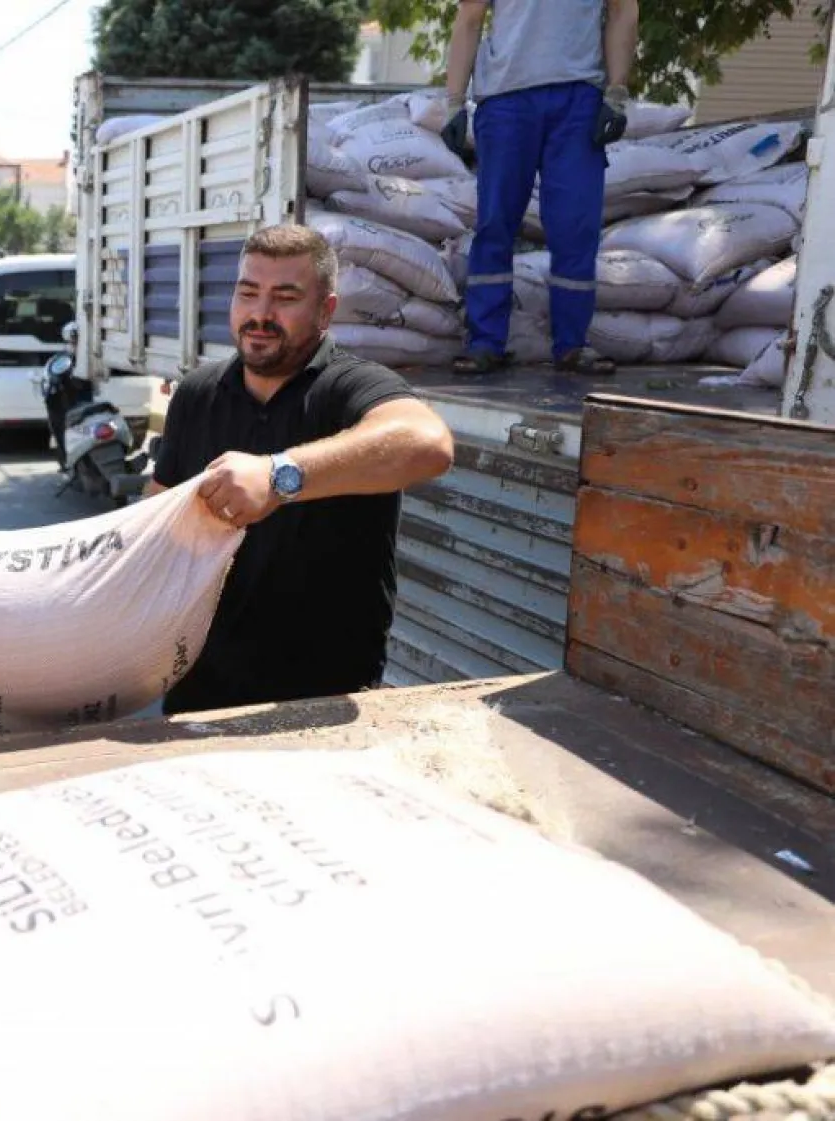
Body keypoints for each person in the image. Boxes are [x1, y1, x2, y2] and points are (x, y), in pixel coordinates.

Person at [148, 224, 455, 716]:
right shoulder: (197, 393)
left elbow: (429, 444)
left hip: (323, 702)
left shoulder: (350, 386)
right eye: (248, 293)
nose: (261, 314)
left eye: (285, 298)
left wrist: (278, 477)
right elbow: (156, 521)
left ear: (326, 311)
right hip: (196, 694)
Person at [440, 0, 640, 376]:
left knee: (575, 225)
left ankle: (572, 344)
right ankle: (485, 342)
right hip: (505, 99)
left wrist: (616, 92)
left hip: (578, 99)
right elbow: (469, 17)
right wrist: (454, 101)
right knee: (496, 222)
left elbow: (623, 11)